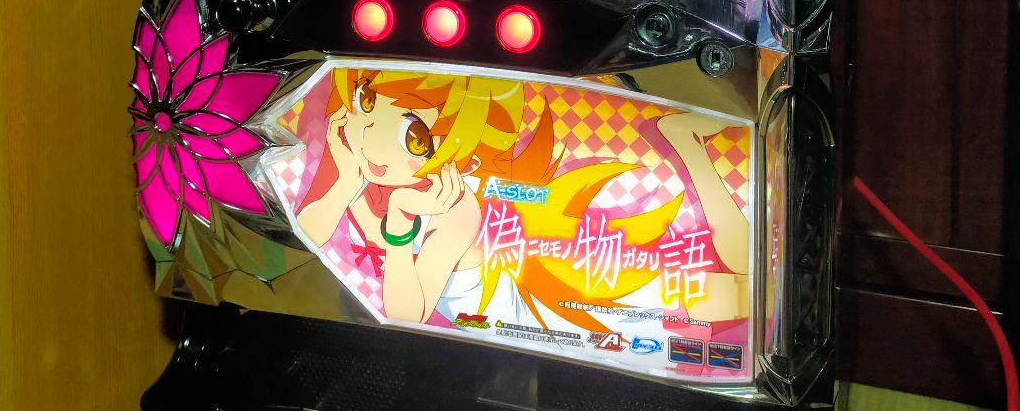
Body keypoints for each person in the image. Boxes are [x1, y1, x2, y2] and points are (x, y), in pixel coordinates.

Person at [294, 68, 750, 330]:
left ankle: (688, 146)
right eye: (367, 101)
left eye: (414, 138)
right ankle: (687, 144)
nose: (371, 136)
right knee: (743, 290)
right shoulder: (359, 171)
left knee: (746, 289)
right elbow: (309, 233)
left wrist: (398, 226)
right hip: (516, 311)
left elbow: (408, 313)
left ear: (462, 156)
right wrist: (345, 181)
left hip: (537, 313)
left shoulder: (453, 206)